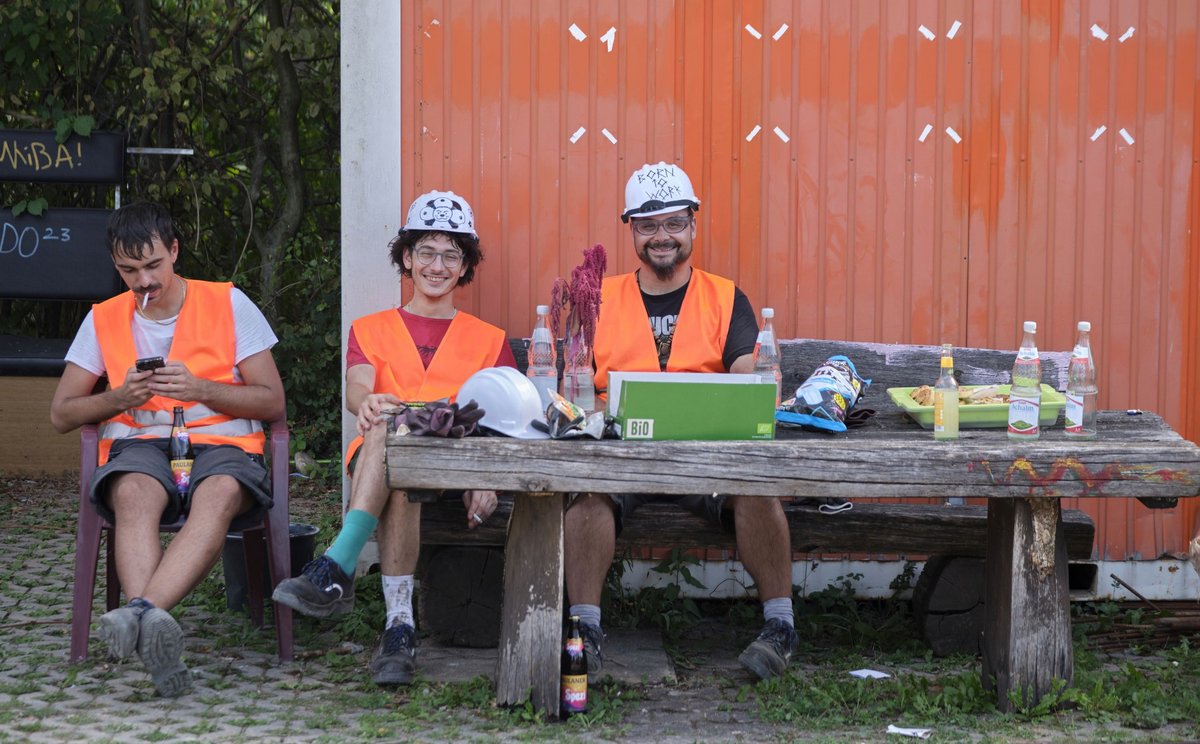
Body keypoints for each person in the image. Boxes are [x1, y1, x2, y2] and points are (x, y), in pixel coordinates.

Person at [564, 162, 798, 682]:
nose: (662, 236)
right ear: (631, 230)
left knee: (757, 490)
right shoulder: (596, 298)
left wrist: (759, 380)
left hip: (705, 454)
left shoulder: (726, 297)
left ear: (693, 224)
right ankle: (585, 632)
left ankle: (780, 627)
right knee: (586, 496)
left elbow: (749, 374)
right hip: (620, 452)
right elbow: (572, 386)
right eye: (648, 225)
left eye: (673, 223)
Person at [272, 190, 515, 685]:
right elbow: (357, 384)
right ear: (406, 257)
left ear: (465, 266)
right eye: (426, 251)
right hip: (384, 459)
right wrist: (366, 401)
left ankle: (337, 566)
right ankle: (399, 628)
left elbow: (507, 416)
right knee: (393, 439)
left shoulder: (490, 339)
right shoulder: (370, 328)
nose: (437, 265)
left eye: (451, 255)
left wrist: (485, 475)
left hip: (451, 463)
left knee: (397, 443)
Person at [50, 201, 286, 697]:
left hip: (225, 444)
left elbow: (272, 401)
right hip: (142, 446)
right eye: (128, 270)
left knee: (220, 492)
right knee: (131, 493)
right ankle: (152, 623)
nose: (143, 282)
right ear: (115, 265)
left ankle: (139, 612)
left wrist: (201, 389)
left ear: (175, 251)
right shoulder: (103, 319)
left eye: (153, 265)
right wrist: (119, 398)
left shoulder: (229, 303)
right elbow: (62, 414)